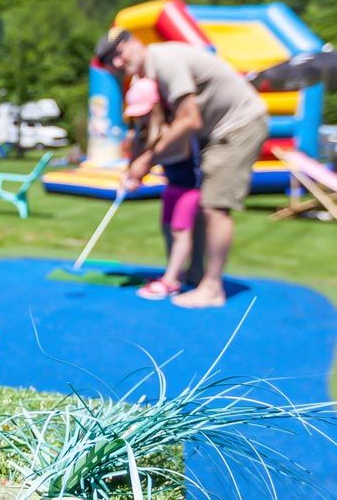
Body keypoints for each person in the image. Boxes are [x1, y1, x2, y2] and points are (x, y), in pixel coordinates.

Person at [95, 27, 268, 308]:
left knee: (215, 205)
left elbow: (189, 120)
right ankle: (197, 274)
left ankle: (212, 289)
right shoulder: (146, 78)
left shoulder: (164, 61)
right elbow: (148, 130)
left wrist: (147, 160)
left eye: (117, 54)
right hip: (215, 133)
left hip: (239, 124)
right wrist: (133, 165)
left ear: (133, 42)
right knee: (204, 205)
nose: (117, 64)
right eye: (109, 62)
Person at [123, 77, 204, 300]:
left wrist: (146, 163)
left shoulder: (174, 130)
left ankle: (170, 281)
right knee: (167, 228)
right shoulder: (149, 131)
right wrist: (132, 173)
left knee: (180, 230)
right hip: (173, 186)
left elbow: (176, 153)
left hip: (191, 187)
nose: (142, 118)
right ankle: (174, 273)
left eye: (145, 112)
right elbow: (141, 156)